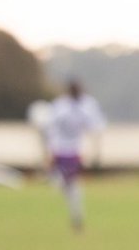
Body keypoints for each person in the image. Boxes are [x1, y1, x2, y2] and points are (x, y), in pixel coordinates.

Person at [44, 79, 106, 231]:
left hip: (74, 151)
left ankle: (77, 218)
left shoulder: (87, 105)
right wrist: (50, 151)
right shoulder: (60, 106)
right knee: (63, 184)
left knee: (72, 185)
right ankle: (72, 212)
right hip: (59, 149)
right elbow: (51, 129)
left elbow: (96, 127)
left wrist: (96, 152)